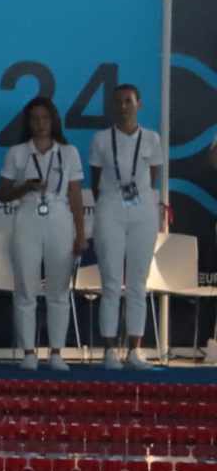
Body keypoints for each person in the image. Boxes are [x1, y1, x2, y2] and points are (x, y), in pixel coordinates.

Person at [0, 96, 85, 372]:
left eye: (45, 118)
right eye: (35, 118)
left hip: (59, 218)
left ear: (53, 120)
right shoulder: (17, 153)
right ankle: (28, 353)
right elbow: (3, 194)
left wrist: (81, 234)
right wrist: (26, 187)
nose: (40, 123)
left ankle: (57, 352)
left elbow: (76, 196)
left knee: (59, 289)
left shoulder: (68, 152)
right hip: (27, 217)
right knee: (26, 288)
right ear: (28, 122)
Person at [89, 83, 165, 370]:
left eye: (129, 101)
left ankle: (135, 350)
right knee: (110, 283)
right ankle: (109, 351)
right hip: (110, 208)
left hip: (142, 210)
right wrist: (112, 201)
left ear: (139, 104)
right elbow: (95, 180)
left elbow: (153, 175)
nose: (123, 106)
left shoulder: (152, 139)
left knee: (137, 283)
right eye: (118, 102)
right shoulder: (100, 139)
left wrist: (137, 198)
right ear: (113, 106)